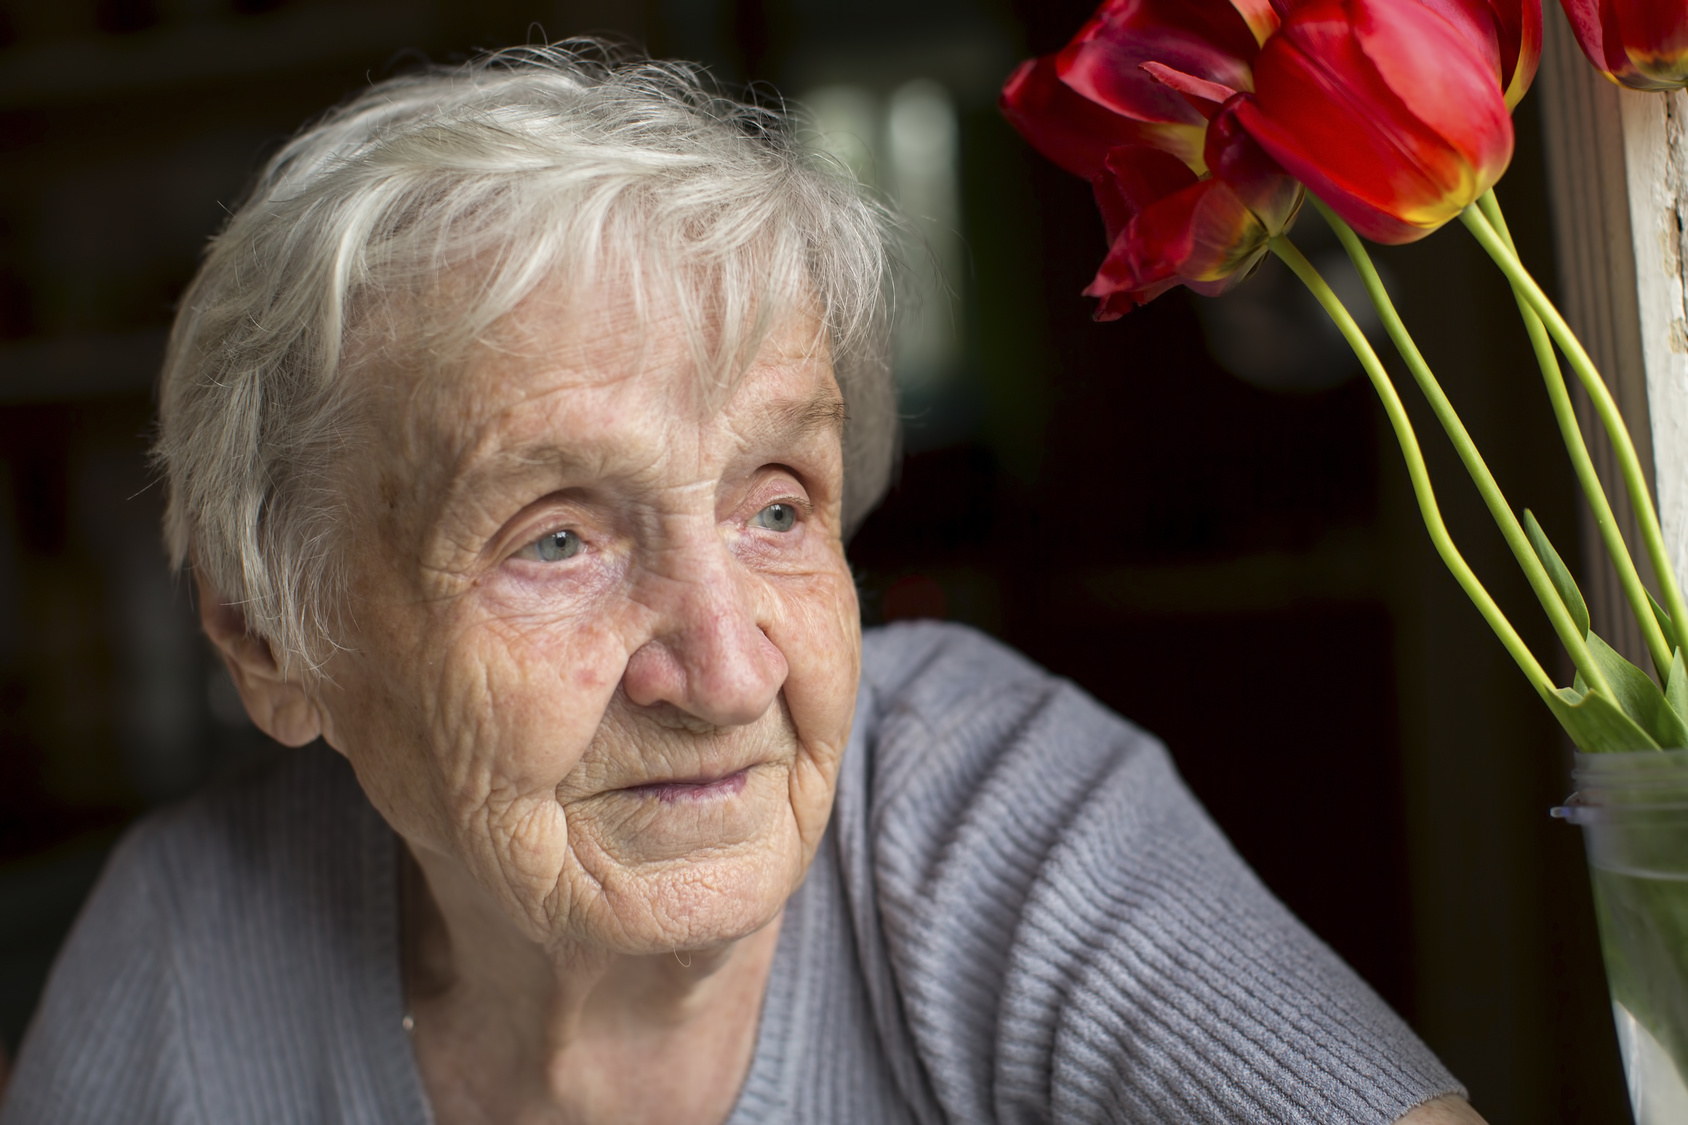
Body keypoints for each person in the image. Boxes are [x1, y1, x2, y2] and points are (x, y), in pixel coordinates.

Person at [0, 44, 1485, 1125]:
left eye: (779, 507)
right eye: (557, 539)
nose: (725, 669)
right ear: (271, 638)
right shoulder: (188, 954)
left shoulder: (983, 810)